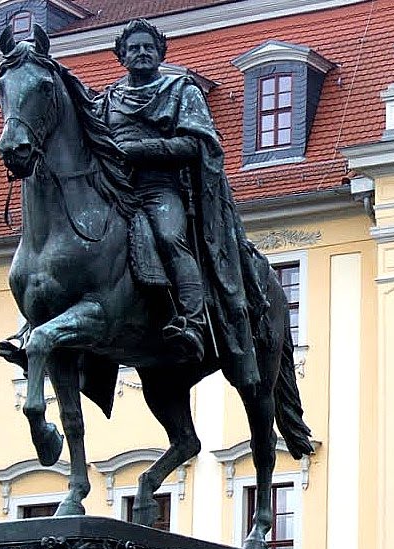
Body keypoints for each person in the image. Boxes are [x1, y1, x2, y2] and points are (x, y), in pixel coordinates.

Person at [98, 19, 266, 387]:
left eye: (148, 47)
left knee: (170, 236)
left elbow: (196, 145)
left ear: (160, 53)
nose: (140, 52)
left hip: (161, 187)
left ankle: (192, 320)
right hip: (114, 191)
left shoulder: (181, 91)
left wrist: (137, 151)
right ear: (121, 56)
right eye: (133, 48)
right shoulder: (106, 101)